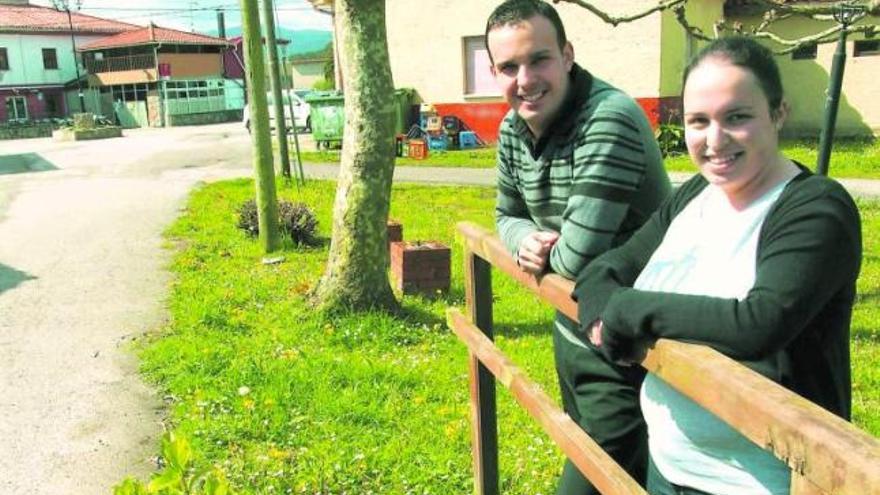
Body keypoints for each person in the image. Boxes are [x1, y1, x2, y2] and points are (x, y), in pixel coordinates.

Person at [575, 36, 862, 495]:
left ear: (778, 113)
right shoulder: (695, 194)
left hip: (761, 481)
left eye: (737, 117)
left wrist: (625, 311)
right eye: (698, 121)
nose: (714, 140)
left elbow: (759, 323)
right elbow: (607, 268)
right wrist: (599, 311)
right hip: (668, 466)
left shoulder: (814, 209)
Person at [486, 1, 672, 492]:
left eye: (538, 59)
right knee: (599, 460)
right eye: (509, 67)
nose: (525, 79)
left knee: (602, 474)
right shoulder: (512, 127)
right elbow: (506, 215)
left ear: (567, 55)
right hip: (571, 328)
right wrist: (527, 238)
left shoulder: (608, 120)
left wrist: (548, 252)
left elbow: (577, 260)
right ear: (493, 72)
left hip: (633, 345)